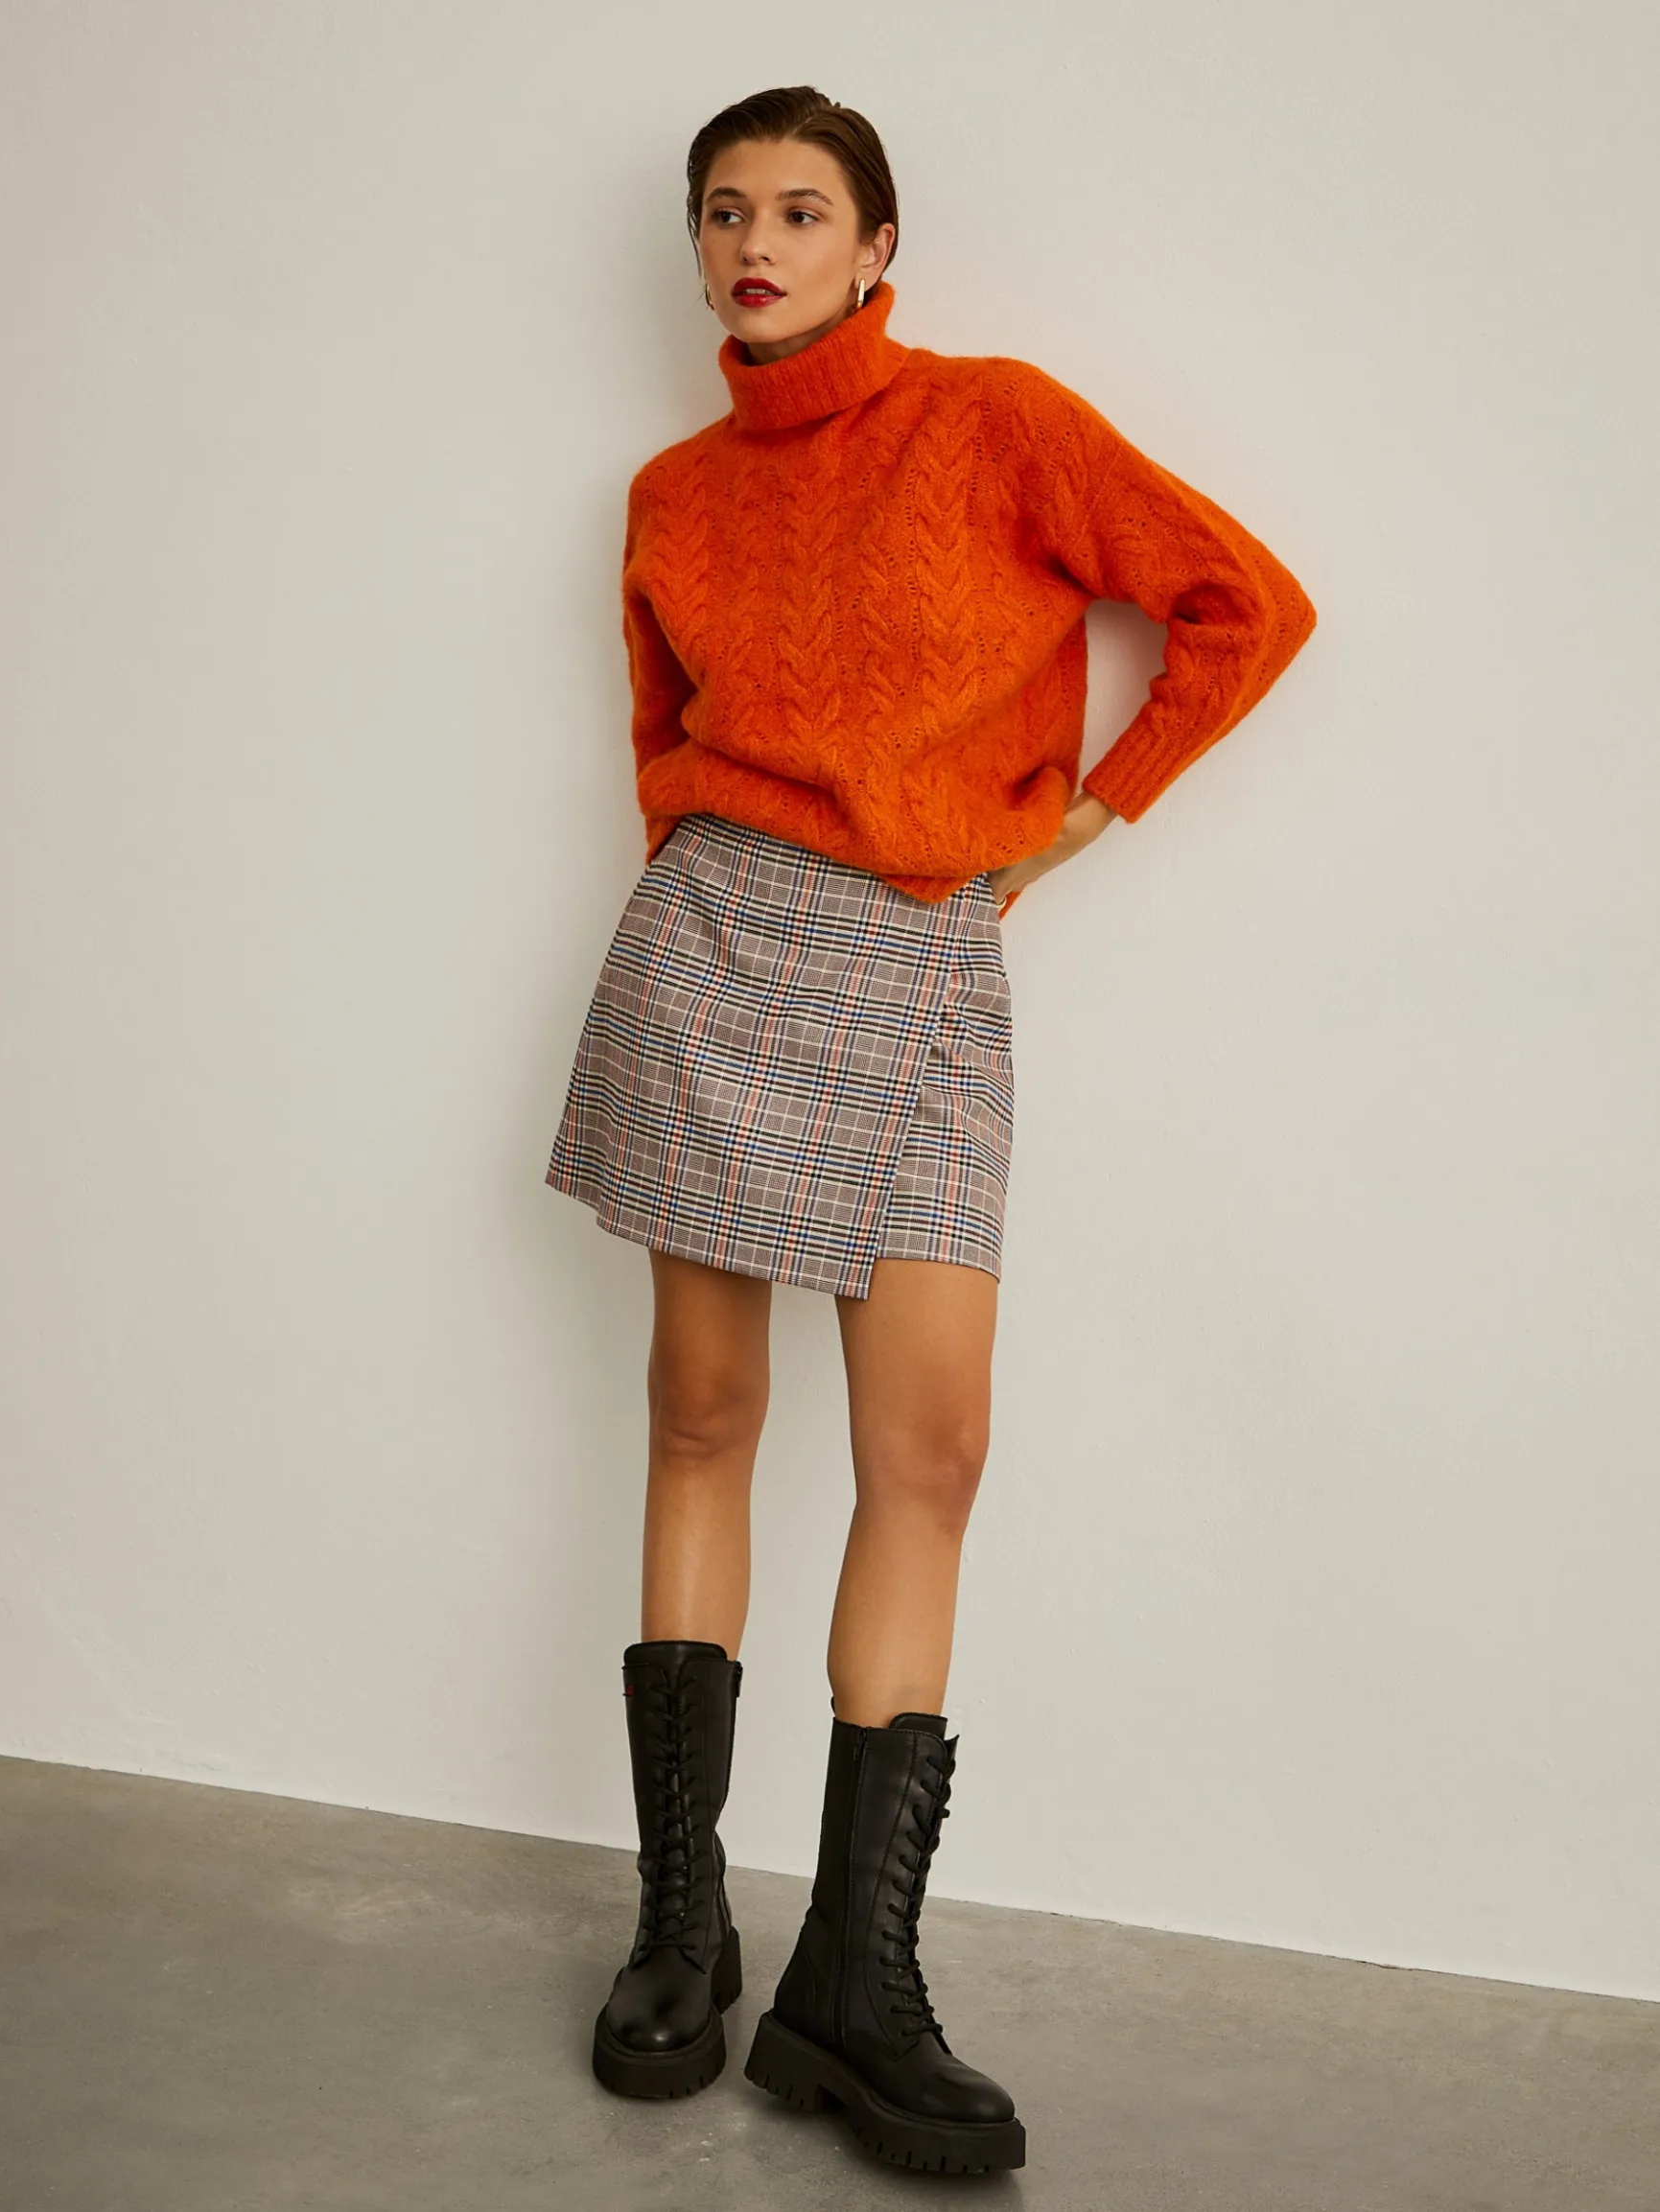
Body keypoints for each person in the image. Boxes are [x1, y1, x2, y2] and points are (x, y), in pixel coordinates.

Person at [545, 84, 1316, 2177]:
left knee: (934, 1448)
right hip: (714, 946)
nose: (757, 244)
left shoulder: (994, 424)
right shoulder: (672, 493)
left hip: (922, 960)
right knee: (702, 1413)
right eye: (725, 211)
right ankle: (682, 1926)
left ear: (879, 247)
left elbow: (1244, 603)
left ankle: (853, 1983)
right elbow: (662, 743)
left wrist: (1078, 822)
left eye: (803, 211)